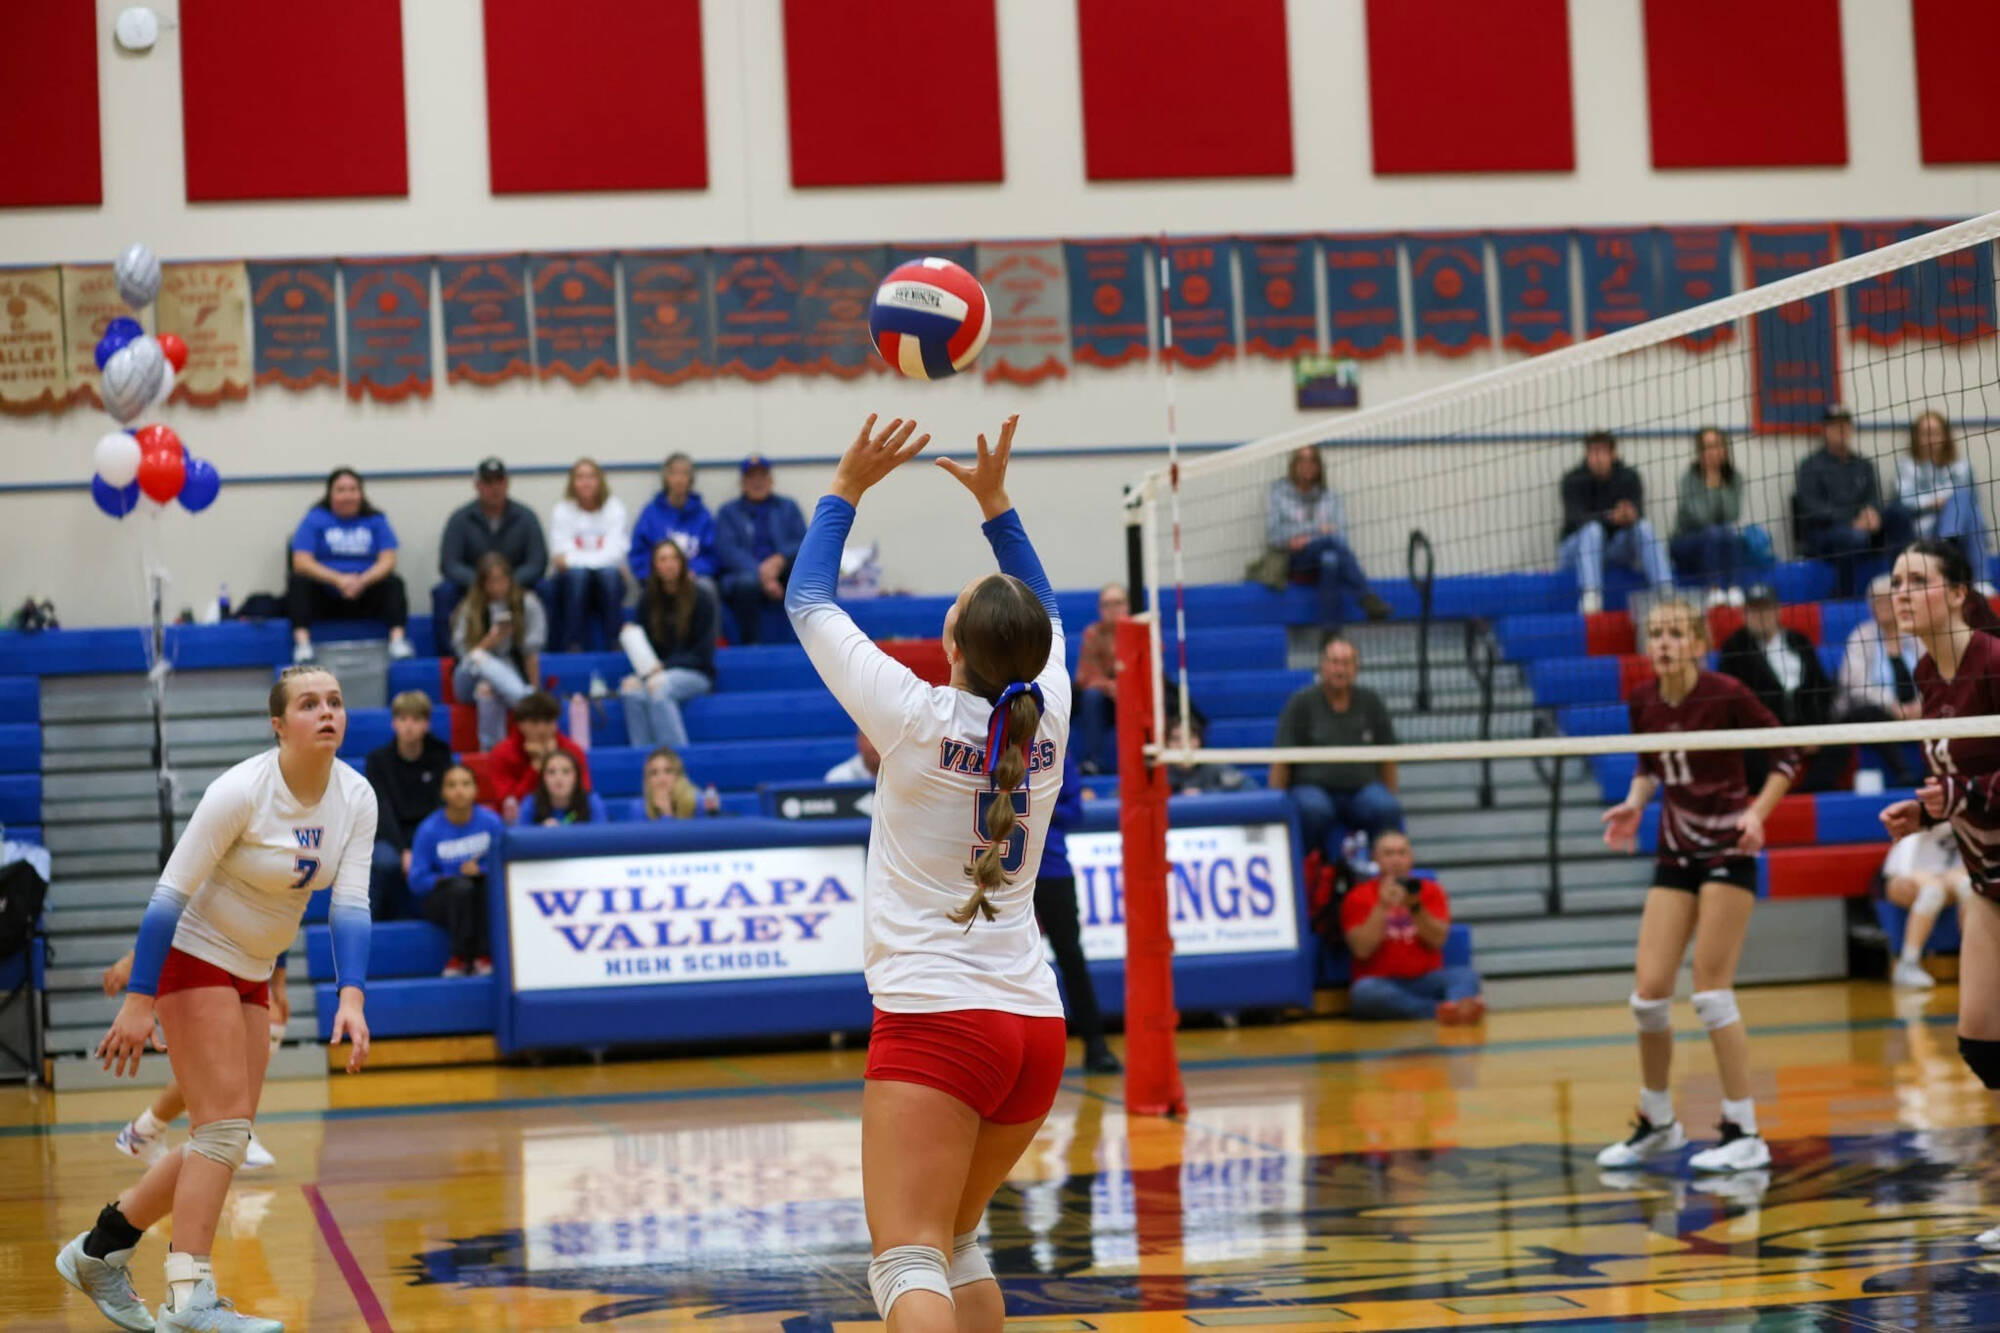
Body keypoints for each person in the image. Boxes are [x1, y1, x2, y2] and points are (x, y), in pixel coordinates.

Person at [786, 412, 1072, 1333]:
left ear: (953, 639)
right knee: (954, 1240)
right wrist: (997, 507)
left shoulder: (913, 715)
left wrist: (845, 486)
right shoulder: (1054, 708)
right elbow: (1045, 608)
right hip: (1035, 1026)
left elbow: (807, 600)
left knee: (908, 1255)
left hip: (939, 1020)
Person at [57, 665, 373, 1332]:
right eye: (309, 703)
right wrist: (139, 998)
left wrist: (352, 994)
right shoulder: (241, 790)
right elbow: (167, 896)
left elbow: (351, 904)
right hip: (193, 952)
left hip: (253, 966)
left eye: (335, 701)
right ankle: (187, 1296)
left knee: (220, 1137)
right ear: (278, 725)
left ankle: (100, 1250)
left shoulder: (356, 796)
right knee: (224, 1130)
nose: (326, 712)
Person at [1596, 599, 1797, 1175]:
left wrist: (1758, 813)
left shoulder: (1726, 693)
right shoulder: (1642, 700)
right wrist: (1634, 804)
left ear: (1698, 643)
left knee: (1711, 994)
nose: (1663, 643)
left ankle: (1744, 1129)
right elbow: (1649, 766)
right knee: (1648, 998)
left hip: (1729, 848)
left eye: (1675, 633)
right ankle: (1659, 1122)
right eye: (1656, 633)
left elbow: (1787, 754)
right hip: (1676, 851)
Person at [1880, 538, 2000, 1248]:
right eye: (1896, 581)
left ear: (1957, 593)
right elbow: (1956, 778)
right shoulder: (1926, 672)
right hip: (1986, 873)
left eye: (1917, 580)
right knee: (1982, 1043)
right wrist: (1925, 814)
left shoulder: (1993, 660)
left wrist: (1961, 794)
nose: (1901, 592)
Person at [102, 949, 284, 1172]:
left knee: (230, 1056)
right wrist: (133, 967)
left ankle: (149, 1130)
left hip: (247, 959)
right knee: (216, 1061)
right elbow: (172, 925)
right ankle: (229, 1128)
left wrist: (279, 983)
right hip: (203, 957)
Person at [1270, 638, 1403, 868]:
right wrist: (1275, 804)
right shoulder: (1301, 702)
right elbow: (1282, 758)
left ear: (1356, 668)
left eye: (1346, 663)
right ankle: (1310, 872)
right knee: (1314, 810)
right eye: (1334, 662)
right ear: (1322, 666)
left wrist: (1391, 794)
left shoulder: (1371, 702)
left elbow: (1388, 757)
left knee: (1386, 807)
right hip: (1312, 789)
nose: (1340, 669)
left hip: (1362, 791)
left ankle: (1384, 878)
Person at [1036, 747, 1120, 1074]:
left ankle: (1096, 1045)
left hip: (1051, 869)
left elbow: (1075, 813)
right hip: (1001, 872)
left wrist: (1039, 805)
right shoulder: (987, 743)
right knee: (996, 959)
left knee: (1071, 956)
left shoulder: (1056, 752)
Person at [1341, 831, 1484, 1023]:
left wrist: (1415, 907)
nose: (1396, 860)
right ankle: (1444, 1010)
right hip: (1381, 982)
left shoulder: (1431, 891)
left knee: (1466, 976)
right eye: (1388, 853)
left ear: (1411, 857)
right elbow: (1362, 950)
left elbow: (1437, 941)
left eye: (1402, 853)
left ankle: (1448, 1008)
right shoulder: (1357, 896)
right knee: (1364, 993)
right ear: (1375, 858)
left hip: (1427, 980)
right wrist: (1381, 907)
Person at [1717, 585, 1845, 792]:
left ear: (1778, 611)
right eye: (1754, 610)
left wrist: (1816, 728)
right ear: (1744, 615)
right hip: (1762, 734)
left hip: (1805, 728)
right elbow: (1730, 701)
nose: (1760, 616)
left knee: (1841, 738)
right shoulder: (1734, 647)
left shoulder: (1799, 640)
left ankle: (1808, 792)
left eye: (1765, 609)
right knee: (1747, 753)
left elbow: (1820, 690)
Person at [287, 467, 414, 664]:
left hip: (366, 592)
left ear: (361, 493)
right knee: (298, 582)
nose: (347, 496)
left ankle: (397, 642)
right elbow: (301, 562)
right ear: (330, 494)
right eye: (341, 490)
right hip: (326, 594)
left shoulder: (376, 520)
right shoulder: (314, 519)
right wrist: (339, 580)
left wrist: (362, 581)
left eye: (353, 489)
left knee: (394, 583)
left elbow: (388, 560)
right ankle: (303, 646)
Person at [1266, 444, 1391, 634]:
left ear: (1319, 466)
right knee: (1330, 544)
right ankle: (1366, 596)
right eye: (1302, 460)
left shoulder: (1331, 498)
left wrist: (1304, 536)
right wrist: (1315, 530)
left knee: (1330, 559)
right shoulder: (1278, 494)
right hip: (1294, 559)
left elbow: (1341, 537)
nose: (1307, 465)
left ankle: (1330, 634)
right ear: (1293, 465)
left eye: (1312, 460)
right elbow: (1274, 535)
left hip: (1323, 557)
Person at [1795, 404, 1912, 599]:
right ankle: (1845, 598)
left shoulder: (1863, 464)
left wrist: (1872, 514)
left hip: (1863, 529)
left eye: (1845, 425)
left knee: (1899, 514)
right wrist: (1851, 520)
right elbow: (1811, 508)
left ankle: (1901, 582)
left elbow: (1873, 499)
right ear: (1825, 430)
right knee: (1851, 537)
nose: (1841, 430)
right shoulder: (1810, 466)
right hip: (1826, 533)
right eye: (1835, 426)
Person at [1559, 430, 1674, 616]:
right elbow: (1575, 519)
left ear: (1613, 454)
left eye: (1602, 452)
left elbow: (1638, 512)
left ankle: (1666, 592)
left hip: (1615, 549)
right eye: (1592, 452)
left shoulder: (1629, 477)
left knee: (1643, 526)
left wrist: (1628, 515)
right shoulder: (1573, 480)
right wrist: (1610, 517)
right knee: (1593, 530)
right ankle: (1591, 597)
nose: (1597, 458)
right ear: (1586, 455)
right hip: (1577, 551)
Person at [362, 690, 453, 921]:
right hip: (390, 835)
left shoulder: (441, 756)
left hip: (430, 833)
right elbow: (382, 811)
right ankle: (373, 925)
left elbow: (441, 806)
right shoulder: (378, 760)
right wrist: (403, 850)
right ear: (394, 723)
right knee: (385, 862)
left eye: (416, 719)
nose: (409, 726)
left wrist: (419, 848)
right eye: (402, 719)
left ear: (427, 724)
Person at [617, 538, 717, 750]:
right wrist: (631, 636)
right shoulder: (647, 600)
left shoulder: (702, 598)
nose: (669, 564)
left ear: (682, 563)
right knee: (630, 691)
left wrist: (664, 667)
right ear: (655, 565)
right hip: (656, 672)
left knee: (660, 690)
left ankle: (676, 758)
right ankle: (643, 758)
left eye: (673, 558)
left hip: (696, 672)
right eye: (663, 559)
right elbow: (645, 651)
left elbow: (703, 653)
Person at [409, 764, 505, 977]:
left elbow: (504, 867)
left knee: (482, 886)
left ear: (476, 790)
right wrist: (451, 877)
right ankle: (459, 957)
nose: (459, 790)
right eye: (452, 785)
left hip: (479, 893)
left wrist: (481, 869)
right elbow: (417, 880)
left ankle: (484, 956)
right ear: (443, 792)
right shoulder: (428, 829)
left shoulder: (492, 823)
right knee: (461, 888)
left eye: (466, 784)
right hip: (443, 899)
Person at [436, 457, 549, 638]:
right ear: (477, 485)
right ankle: (448, 651)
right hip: (473, 586)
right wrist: (484, 583)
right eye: (488, 482)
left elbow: (537, 562)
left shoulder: (526, 517)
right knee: (444, 592)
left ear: (507, 483)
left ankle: (544, 649)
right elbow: (449, 564)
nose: (495, 488)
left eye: (499, 481)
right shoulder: (460, 519)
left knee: (546, 589)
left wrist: (507, 583)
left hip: (516, 585)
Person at [452, 552, 548, 751]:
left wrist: (535, 686)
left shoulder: (527, 603)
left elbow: (531, 654)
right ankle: (525, 699)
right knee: (480, 658)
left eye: (502, 580)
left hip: (508, 673)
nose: (498, 587)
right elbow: (464, 657)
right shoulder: (470, 607)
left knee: (487, 690)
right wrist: (490, 641)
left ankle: (493, 751)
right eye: (491, 582)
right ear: (482, 584)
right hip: (468, 676)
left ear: (510, 579)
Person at [1835, 574, 1923, 787]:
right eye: (1876, 601)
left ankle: (1936, 774)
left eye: (1887, 599)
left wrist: (1920, 704)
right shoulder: (1861, 636)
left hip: (1918, 710)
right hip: (1878, 710)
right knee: (1869, 713)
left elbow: (1934, 677)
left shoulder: (1917, 634)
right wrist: (1892, 705)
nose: (1881, 606)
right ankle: (1904, 773)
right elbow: (1855, 685)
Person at [716, 453, 806, 644]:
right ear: (742, 483)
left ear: (771, 480)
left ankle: (808, 642)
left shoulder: (788, 507)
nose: (757, 482)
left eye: (762, 476)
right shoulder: (728, 512)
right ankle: (751, 647)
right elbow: (727, 550)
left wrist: (780, 559)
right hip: (745, 575)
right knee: (747, 584)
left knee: (807, 579)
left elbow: (804, 542)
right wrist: (762, 574)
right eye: (751, 477)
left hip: (783, 570)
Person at [546, 457, 629, 653]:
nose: (586, 482)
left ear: (600, 481)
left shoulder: (614, 508)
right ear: (572, 483)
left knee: (609, 575)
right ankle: (573, 645)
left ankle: (614, 643)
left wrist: (577, 559)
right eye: (580, 477)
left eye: (591, 477)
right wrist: (598, 560)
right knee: (579, 576)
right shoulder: (562, 510)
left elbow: (616, 552)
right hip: (571, 583)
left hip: (606, 581)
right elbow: (559, 556)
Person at [1877, 823, 1970, 990]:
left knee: (1968, 887)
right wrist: (1924, 879)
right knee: (1932, 892)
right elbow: (1903, 864)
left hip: (1944, 874)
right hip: (1903, 874)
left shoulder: (1969, 817)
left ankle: (1975, 960)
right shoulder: (1927, 814)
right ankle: (1908, 963)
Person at [1893, 410, 1985, 575]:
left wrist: (1949, 505)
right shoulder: (1907, 467)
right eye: (1924, 434)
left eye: (1935, 433)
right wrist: (1934, 503)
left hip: (1960, 527)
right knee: (1963, 502)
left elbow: (1971, 500)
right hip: (1924, 530)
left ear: (1945, 436)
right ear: (1916, 437)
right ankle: (1981, 578)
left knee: (1969, 507)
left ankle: (1948, 539)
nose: (1930, 439)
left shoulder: (1962, 467)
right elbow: (1905, 501)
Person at [1671, 427, 1746, 608]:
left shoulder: (1735, 478)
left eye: (1717, 446)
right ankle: (1714, 590)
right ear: (1699, 452)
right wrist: (1712, 485)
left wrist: (1720, 483)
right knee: (1713, 532)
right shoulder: (1689, 478)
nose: (1713, 452)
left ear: (1725, 450)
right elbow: (1702, 518)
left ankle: (1734, 589)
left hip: (1720, 538)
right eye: (1707, 447)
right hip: (1686, 542)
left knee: (1731, 532)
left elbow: (1732, 514)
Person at [627, 451, 721, 593]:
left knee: (707, 588)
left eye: (684, 474)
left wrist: (691, 571)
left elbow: (712, 556)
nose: (679, 479)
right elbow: (638, 554)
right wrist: (660, 573)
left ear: (691, 479)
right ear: (666, 478)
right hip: (658, 579)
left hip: (693, 578)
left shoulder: (703, 515)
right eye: (674, 473)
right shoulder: (650, 514)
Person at [485, 692, 591, 813]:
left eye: (548, 721)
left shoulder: (572, 750)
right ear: (520, 724)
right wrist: (536, 767)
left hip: (567, 816)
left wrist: (552, 758)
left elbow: (584, 792)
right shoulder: (502, 753)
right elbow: (507, 802)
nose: (542, 729)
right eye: (534, 722)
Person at [1072, 583, 1126, 775]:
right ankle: (1095, 762)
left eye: (1117, 603)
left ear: (1127, 605)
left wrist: (1124, 686)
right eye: (1106, 604)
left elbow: (1151, 670)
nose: (1112, 609)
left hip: (1132, 694)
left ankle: (1141, 760)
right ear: (1100, 609)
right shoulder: (1092, 633)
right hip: (1104, 699)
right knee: (1091, 696)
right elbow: (1085, 674)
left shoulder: (1141, 631)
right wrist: (1109, 686)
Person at [519, 749, 606, 826]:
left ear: (576, 777)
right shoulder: (531, 803)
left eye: (566, 772)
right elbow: (521, 836)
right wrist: (542, 833)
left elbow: (602, 836)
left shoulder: (591, 802)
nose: (558, 778)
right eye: (551, 772)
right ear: (543, 778)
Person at [1165, 717, 1248, 796]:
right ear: (1166, 743)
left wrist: (1206, 793)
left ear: (1200, 740)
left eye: (1190, 737)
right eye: (1175, 739)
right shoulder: (1162, 771)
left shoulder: (1214, 764)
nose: (1183, 745)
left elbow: (1247, 787)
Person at [641, 746, 715, 820]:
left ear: (678, 775)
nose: (661, 778)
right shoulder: (641, 807)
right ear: (648, 779)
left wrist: (667, 813)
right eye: (654, 773)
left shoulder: (699, 802)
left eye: (668, 771)